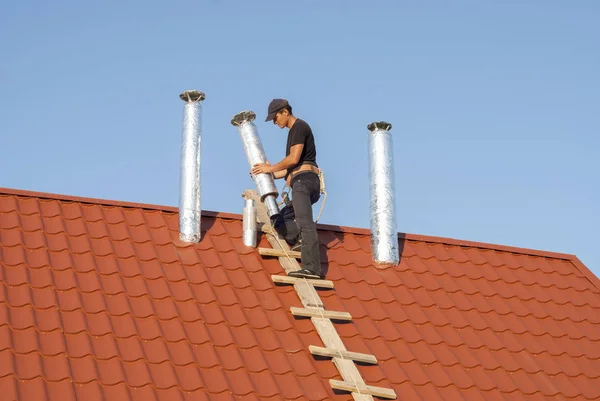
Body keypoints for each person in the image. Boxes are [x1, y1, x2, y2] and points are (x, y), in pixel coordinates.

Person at [251, 99, 323, 279]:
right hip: (300, 181)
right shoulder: (293, 132)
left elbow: (293, 159)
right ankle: (300, 239)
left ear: (285, 112)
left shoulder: (299, 127)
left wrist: (270, 168)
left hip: (304, 182)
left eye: (275, 118)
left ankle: (312, 268)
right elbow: (287, 169)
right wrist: (265, 173)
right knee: (279, 220)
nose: (275, 122)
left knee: (305, 222)